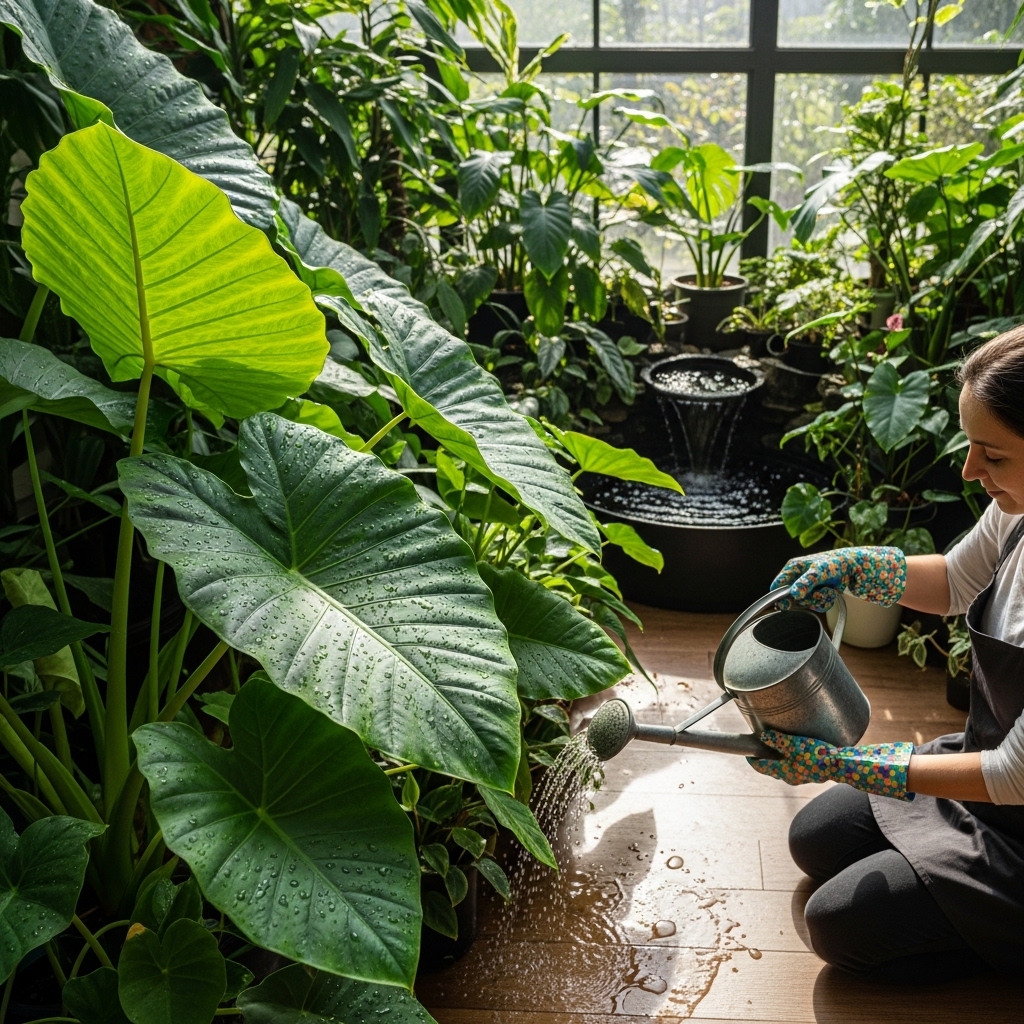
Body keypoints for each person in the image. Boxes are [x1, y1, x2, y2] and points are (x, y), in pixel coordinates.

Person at [754, 327, 1024, 984]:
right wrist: (851, 566)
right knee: (813, 837)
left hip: (1016, 813)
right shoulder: (1018, 507)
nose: (968, 471)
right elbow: (958, 581)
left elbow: (1016, 776)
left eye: (992, 454)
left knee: (835, 923)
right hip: (984, 774)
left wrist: (861, 764)